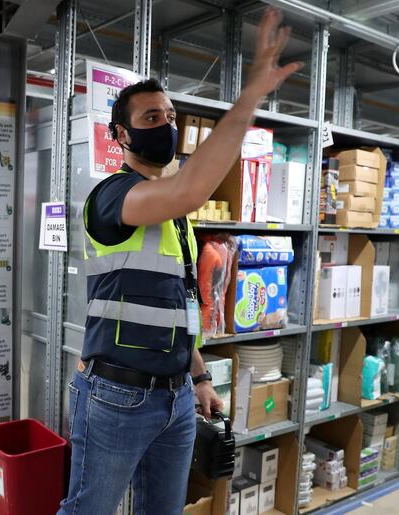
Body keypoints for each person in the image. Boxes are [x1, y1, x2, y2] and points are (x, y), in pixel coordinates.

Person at [58, 9, 303, 515]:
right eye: (151, 118)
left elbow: (179, 307)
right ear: (120, 135)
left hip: (176, 401)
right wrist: (251, 93)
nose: (165, 126)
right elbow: (191, 189)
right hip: (115, 398)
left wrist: (199, 378)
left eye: (170, 117)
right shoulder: (111, 198)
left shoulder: (177, 222)